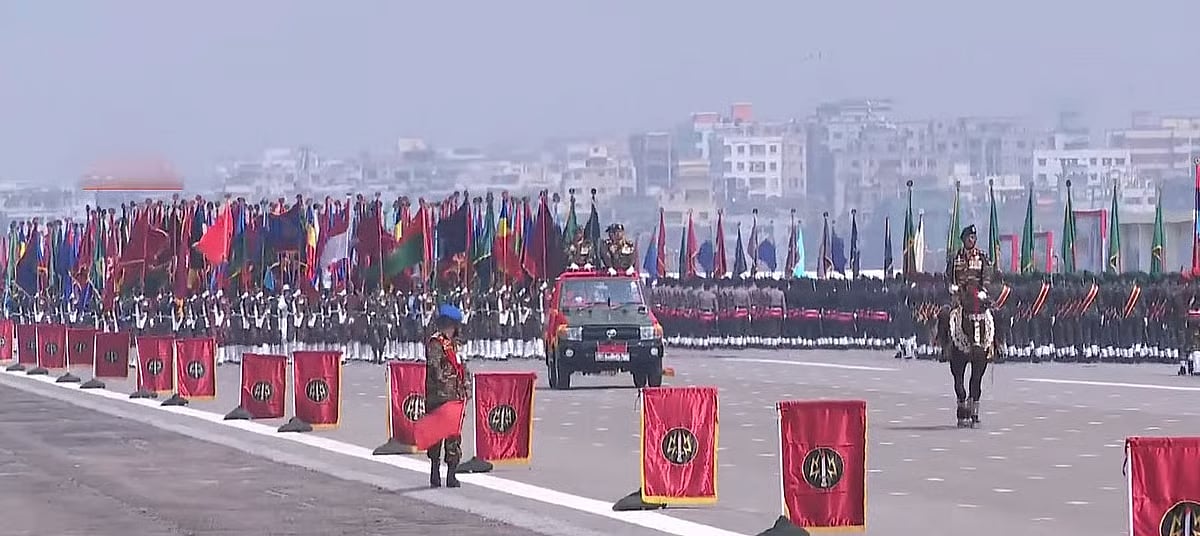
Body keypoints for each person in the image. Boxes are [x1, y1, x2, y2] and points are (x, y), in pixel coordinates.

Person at [945, 224, 994, 427]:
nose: (971, 241)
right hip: (960, 298)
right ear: (963, 240)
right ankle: (945, 346)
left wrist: (984, 290)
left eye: (973, 238)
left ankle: (995, 347)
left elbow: (987, 277)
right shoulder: (955, 258)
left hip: (977, 297)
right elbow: (949, 277)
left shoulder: (982, 257)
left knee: (993, 319)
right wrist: (953, 288)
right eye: (968, 238)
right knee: (945, 316)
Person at [425, 303, 471, 488]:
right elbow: (434, 367)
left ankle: (451, 474)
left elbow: (463, 368)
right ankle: (435, 471)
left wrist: (466, 387)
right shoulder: (436, 343)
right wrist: (445, 383)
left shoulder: (454, 345)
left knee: (453, 437)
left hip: (454, 398)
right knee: (436, 436)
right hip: (438, 398)